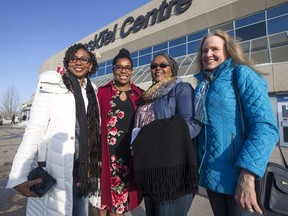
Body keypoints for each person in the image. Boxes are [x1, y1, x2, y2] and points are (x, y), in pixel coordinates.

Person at [6, 43, 101, 216]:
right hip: (56, 168)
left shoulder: (92, 91)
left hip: (83, 171)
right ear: (67, 62)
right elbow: (34, 130)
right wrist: (17, 176)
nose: (78, 62)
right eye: (74, 58)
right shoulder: (52, 84)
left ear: (91, 64)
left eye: (84, 59)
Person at [194, 30, 279, 216]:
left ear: (228, 51)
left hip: (239, 178)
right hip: (212, 178)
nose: (208, 54)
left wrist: (248, 174)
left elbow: (265, 127)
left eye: (214, 49)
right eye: (204, 50)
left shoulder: (242, 74)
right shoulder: (202, 85)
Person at [131, 53, 201, 216]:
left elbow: (192, 126)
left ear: (172, 68)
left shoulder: (181, 89)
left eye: (163, 65)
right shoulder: (146, 96)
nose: (158, 69)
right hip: (150, 168)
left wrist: (150, 135)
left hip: (171, 168)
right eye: (154, 66)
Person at [96, 48, 143, 215]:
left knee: (119, 205)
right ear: (113, 69)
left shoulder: (139, 94)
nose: (124, 71)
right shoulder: (102, 92)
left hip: (126, 158)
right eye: (119, 67)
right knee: (101, 204)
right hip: (104, 155)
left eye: (128, 67)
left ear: (132, 71)